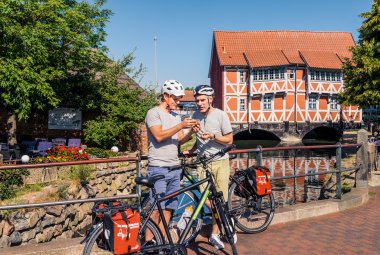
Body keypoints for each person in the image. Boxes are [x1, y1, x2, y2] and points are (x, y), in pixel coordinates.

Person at [145, 80, 197, 242]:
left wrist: (190, 132)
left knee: (169, 208)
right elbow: (159, 136)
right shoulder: (153, 113)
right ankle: (147, 244)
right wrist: (181, 125)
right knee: (156, 210)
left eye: (179, 99)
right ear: (165, 96)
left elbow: (179, 140)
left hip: (175, 168)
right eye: (175, 98)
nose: (178, 102)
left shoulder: (175, 116)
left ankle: (160, 243)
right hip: (158, 168)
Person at [185, 84, 234, 250]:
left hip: (220, 162)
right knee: (206, 199)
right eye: (197, 100)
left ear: (210, 100)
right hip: (202, 163)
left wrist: (213, 136)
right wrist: (191, 150)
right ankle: (224, 219)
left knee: (220, 199)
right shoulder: (196, 115)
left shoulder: (221, 115)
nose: (199, 103)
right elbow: (199, 139)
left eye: (202, 100)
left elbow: (229, 140)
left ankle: (214, 233)